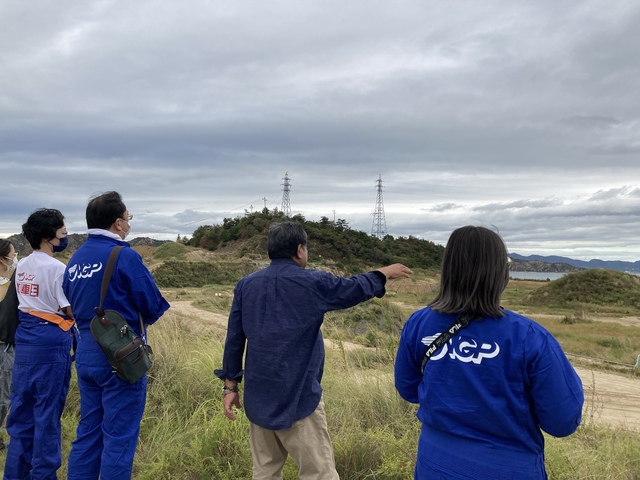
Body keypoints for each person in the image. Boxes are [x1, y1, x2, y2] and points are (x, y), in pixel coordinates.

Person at [215, 221, 413, 480]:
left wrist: (230, 387)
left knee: (265, 472)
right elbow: (352, 289)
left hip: (259, 398)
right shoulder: (312, 282)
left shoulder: (246, 285)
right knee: (318, 474)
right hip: (299, 400)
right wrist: (382, 273)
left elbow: (234, 338)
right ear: (299, 250)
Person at [394, 226, 584, 480]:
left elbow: (408, 390)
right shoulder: (530, 337)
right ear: (499, 274)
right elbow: (563, 422)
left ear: (448, 269)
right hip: (507, 468)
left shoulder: (418, 323)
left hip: (434, 464)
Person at [62, 191, 170, 480]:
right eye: (128, 218)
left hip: (85, 354)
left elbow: (70, 302)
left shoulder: (75, 260)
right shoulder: (125, 256)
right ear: (118, 223)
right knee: (119, 437)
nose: (129, 224)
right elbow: (153, 306)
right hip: (121, 358)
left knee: (88, 432)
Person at [3, 209, 74, 480]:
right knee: (46, 415)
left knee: (21, 414)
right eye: (63, 233)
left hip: (25, 345)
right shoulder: (57, 269)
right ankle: (43, 475)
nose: (64, 237)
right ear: (48, 236)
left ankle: (15, 474)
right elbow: (69, 309)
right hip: (50, 344)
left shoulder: (22, 266)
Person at [0, 239, 20, 451]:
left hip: (7, 344)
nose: (15, 259)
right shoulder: (5, 286)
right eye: (13, 255)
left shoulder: (9, 281)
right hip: (3, 345)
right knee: (3, 395)